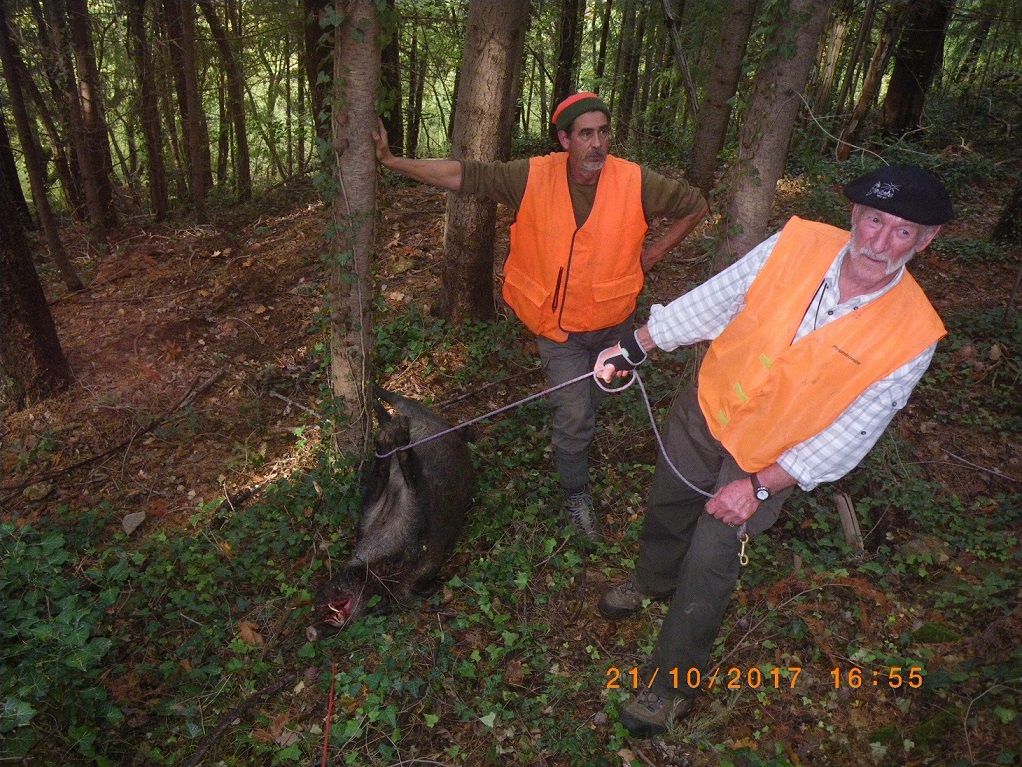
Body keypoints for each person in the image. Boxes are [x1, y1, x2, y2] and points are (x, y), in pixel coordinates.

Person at [592, 164, 953, 736]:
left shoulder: (913, 334)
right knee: (667, 504)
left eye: (902, 231)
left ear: (926, 240)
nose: (880, 242)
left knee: (710, 562)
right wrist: (636, 344)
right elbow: (719, 299)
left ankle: (670, 687)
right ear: (855, 215)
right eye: (875, 220)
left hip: (768, 458)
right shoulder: (798, 242)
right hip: (708, 406)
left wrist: (759, 486)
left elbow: (853, 432)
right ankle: (649, 581)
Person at [372, 92, 708, 541]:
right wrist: (394, 163)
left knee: (597, 398)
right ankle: (575, 492)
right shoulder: (531, 177)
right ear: (565, 139)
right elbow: (461, 174)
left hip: (615, 323)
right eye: (585, 134)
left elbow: (695, 206)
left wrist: (650, 257)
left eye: (603, 132)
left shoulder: (636, 181)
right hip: (559, 331)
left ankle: (583, 425)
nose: (597, 144)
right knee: (575, 417)